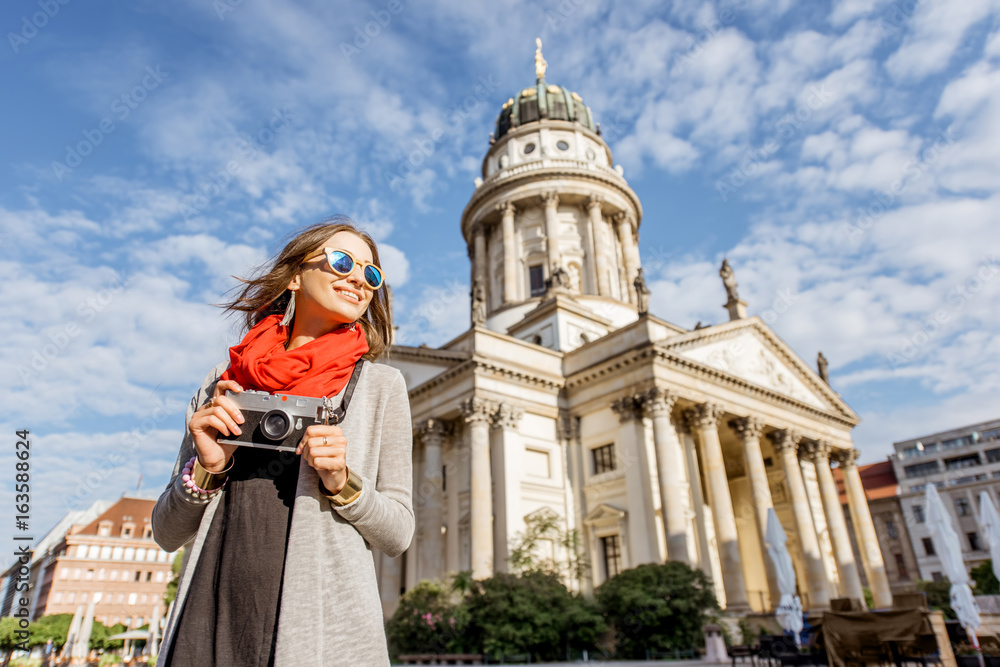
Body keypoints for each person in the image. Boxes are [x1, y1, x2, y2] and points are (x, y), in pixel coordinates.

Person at [152, 218, 414, 667]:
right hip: (209, 615)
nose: (358, 278)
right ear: (295, 276)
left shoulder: (381, 387)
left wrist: (342, 482)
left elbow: (398, 532)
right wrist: (207, 470)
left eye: (371, 273)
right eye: (341, 261)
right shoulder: (221, 384)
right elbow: (167, 532)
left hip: (319, 628)